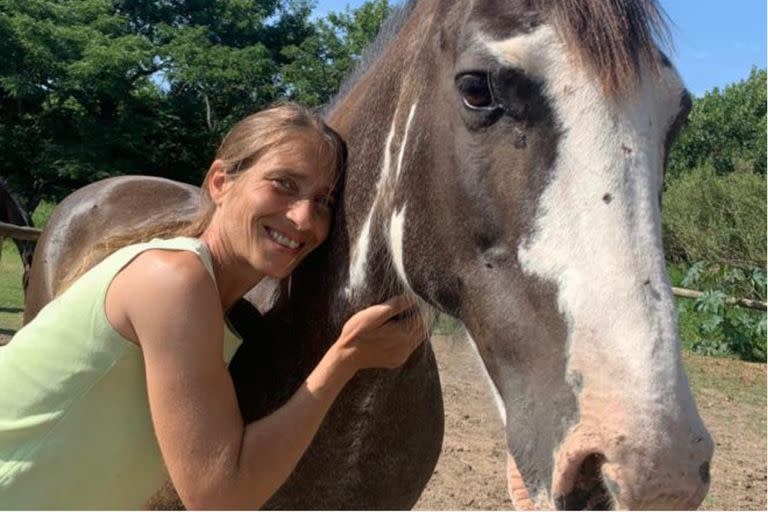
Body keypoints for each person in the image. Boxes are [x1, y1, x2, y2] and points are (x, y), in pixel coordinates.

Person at [0, 103, 425, 509]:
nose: (304, 219)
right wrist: (345, 359)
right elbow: (221, 496)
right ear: (220, 182)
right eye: (284, 184)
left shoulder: (213, 305)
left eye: (324, 201)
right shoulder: (173, 282)